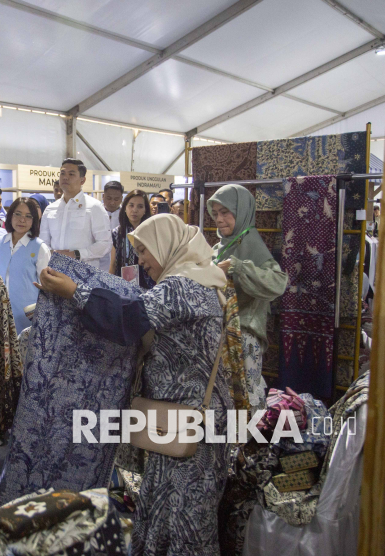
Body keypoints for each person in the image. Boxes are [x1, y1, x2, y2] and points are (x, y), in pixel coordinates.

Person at [35, 214, 231, 555]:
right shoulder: (198, 279)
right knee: (164, 504)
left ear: (166, 245)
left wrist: (74, 291)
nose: (140, 260)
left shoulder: (183, 285)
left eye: (144, 250)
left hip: (189, 418)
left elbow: (129, 319)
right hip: (181, 414)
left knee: (185, 511)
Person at [208, 184, 288, 412]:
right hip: (220, 337)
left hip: (244, 340)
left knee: (245, 397)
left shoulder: (252, 246)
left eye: (225, 212)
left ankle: (248, 444)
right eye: (215, 213)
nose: (219, 219)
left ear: (241, 211)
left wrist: (239, 267)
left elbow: (278, 282)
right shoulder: (219, 247)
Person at [39, 158, 111, 268]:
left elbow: (105, 244)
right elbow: (43, 243)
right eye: (62, 173)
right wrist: (52, 254)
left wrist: (76, 254)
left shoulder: (94, 207)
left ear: (82, 180)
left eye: (71, 174)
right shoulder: (50, 209)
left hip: (84, 277)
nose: (65, 177)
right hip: (55, 273)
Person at [0, 197, 51, 335]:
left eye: (28, 216)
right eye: (18, 214)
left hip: (26, 316)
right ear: (10, 215)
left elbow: (47, 287)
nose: (22, 220)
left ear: (34, 220)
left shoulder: (39, 247)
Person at [110, 189, 155, 289]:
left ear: (145, 211)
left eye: (140, 206)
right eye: (131, 205)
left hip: (149, 285)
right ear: (125, 208)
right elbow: (113, 265)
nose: (134, 210)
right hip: (122, 286)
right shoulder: (117, 233)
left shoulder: (152, 233)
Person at [100, 181, 124, 272]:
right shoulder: (95, 213)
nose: (112, 202)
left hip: (119, 262)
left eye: (116, 199)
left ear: (121, 198)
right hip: (98, 261)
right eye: (109, 198)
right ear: (103, 196)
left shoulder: (126, 215)